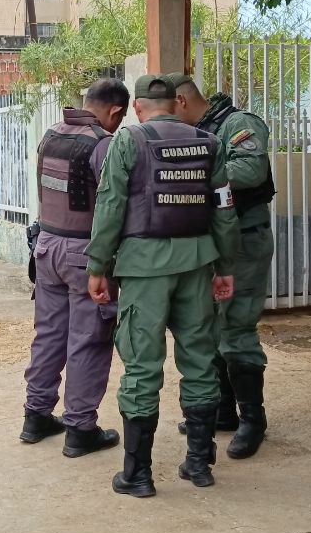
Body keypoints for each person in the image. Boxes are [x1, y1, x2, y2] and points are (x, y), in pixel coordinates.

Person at [86, 74, 239, 497]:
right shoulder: (209, 142)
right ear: (175, 104)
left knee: (141, 366)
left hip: (144, 270)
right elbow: (224, 208)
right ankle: (199, 464)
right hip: (197, 265)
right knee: (201, 360)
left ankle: (138, 475)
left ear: (137, 108)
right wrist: (225, 265)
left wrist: (97, 266)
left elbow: (110, 207)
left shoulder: (127, 141)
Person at [21, 78, 129, 457]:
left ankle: (36, 416)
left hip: (46, 247)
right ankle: (80, 429)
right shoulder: (103, 144)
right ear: (115, 110)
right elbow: (115, 206)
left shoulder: (51, 135)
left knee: (49, 334)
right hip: (84, 255)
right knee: (89, 338)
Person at [171, 74, 276, 458]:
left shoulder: (238, 123)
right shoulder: (196, 132)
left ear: (181, 101)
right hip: (211, 243)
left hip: (244, 241)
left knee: (236, 327)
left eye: (167, 109)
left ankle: (253, 419)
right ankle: (223, 411)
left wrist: (197, 171)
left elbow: (251, 171)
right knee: (211, 325)